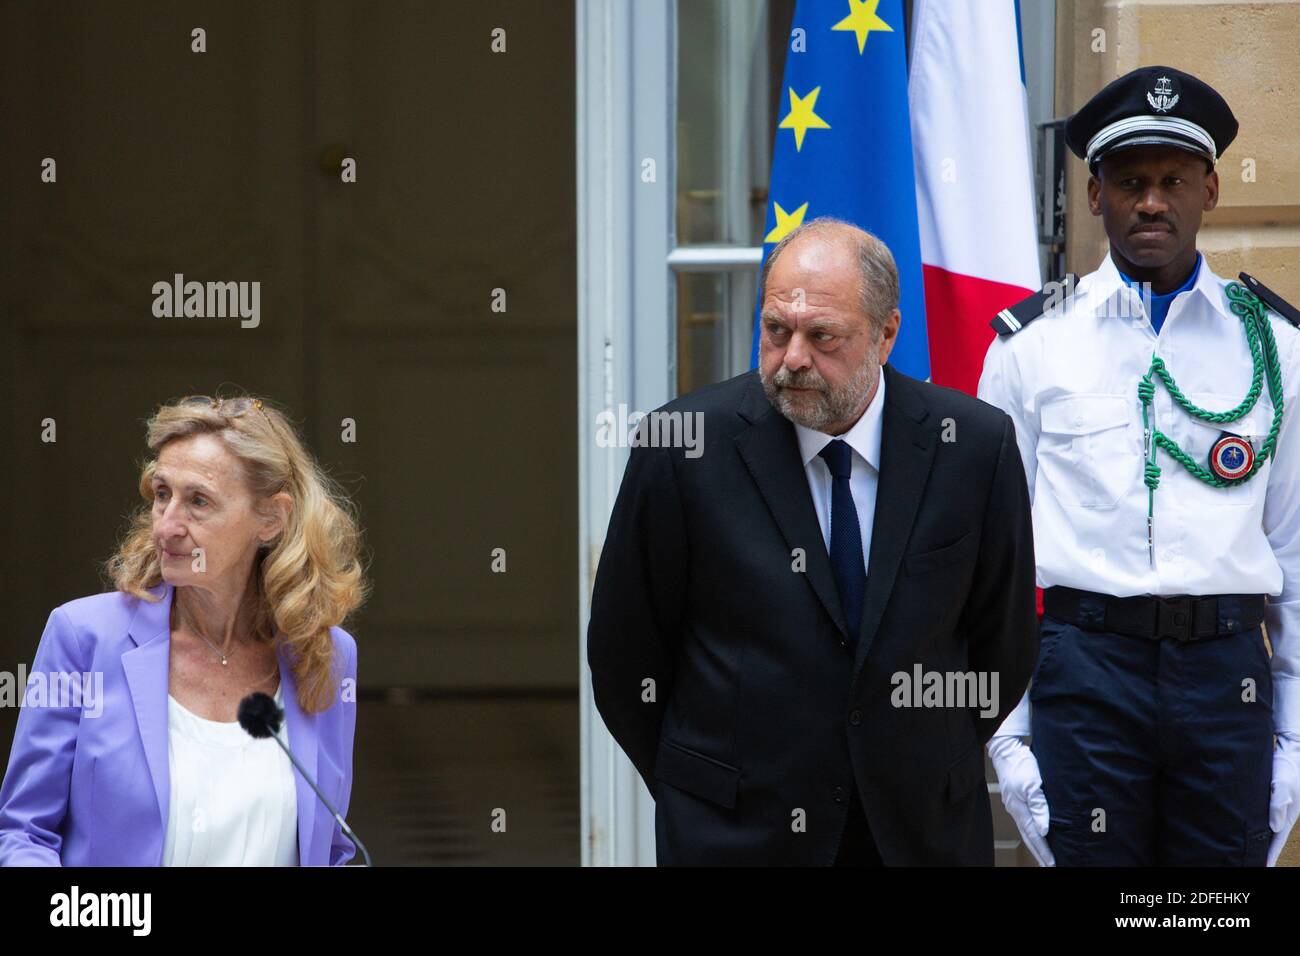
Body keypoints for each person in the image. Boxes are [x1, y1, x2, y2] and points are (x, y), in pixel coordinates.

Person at [587, 218, 1038, 865]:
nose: (792, 358)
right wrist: (705, 786)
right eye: (776, 330)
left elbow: (1005, 646)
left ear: (886, 334)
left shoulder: (973, 446)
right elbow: (624, 656)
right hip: (736, 836)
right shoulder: (683, 447)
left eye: (821, 336)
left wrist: (919, 754)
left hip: (917, 833)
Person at [980, 66, 1300, 867]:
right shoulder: (1031, 346)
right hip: (1086, 669)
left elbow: (1293, 551)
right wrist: (1008, 730)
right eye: (1129, 183)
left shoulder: (1276, 346)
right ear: (1095, 197)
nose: (1151, 202)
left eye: (1172, 181)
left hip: (1228, 673)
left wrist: (1293, 731)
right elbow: (995, 560)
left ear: (1211, 190)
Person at [0, 394, 368, 866]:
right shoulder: (82, 638)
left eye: (198, 501)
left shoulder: (324, 655)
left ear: (272, 518)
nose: (167, 526)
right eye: (161, 494)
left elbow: (331, 850)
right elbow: (24, 833)